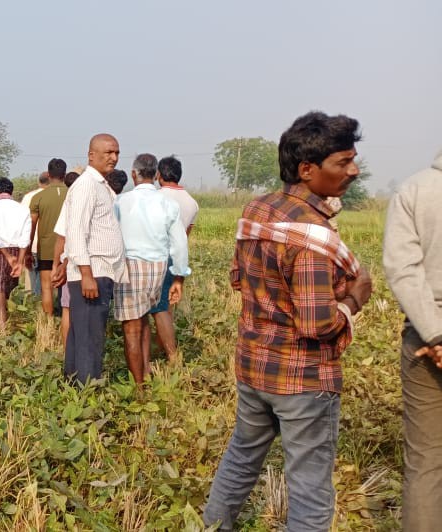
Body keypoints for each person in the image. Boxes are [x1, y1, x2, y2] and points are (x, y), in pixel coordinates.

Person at [204, 112, 373, 532]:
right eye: (343, 162)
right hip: (302, 379)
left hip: (253, 366)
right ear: (307, 170)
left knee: (242, 455)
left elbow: (237, 277)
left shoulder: (259, 209)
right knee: (310, 487)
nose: (353, 171)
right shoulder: (311, 237)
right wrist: (354, 298)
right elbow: (317, 324)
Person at [383, 148, 442, 532]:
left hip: (425, 339)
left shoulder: (414, 189)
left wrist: (435, 332)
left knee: (426, 462)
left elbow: (403, 269)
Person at [112, 153, 190, 385]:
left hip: (130, 265)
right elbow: (179, 243)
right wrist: (179, 278)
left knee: (132, 329)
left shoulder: (120, 202)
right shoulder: (168, 204)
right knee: (144, 319)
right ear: (156, 176)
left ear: (133, 174)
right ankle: (145, 371)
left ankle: (139, 387)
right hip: (158, 267)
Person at [56, 134, 127, 384]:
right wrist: (85, 274)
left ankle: (74, 384)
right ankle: (87, 391)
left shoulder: (100, 186)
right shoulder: (87, 184)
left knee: (83, 335)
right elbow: (75, 231)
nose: (114, 157)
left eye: (117, 152)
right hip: (92, 272)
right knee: (90, 337)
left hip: (97, 271)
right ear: (91, 155)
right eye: (108, 152)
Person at [150, 155, 200, 364]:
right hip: (176, 257)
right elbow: (184, 235)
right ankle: (161, 349)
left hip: (155, 256)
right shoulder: (191, 202)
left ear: (159, 175)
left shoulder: (155, 197)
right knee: (166, 307)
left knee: (157, 310)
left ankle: (171, 356)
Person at [0, 177, 32, 329]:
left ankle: (2, 325)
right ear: (11, 191)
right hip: (17, 249)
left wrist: (8, 257)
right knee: (9, 285)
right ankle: (6, 320)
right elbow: (25, 236)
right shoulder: (23, 209)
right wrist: (19, 260)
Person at [28, 158, 67, 316]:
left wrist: (28, 248)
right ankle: (65, 320)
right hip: (67, 250)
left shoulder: (38, 197)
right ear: (64, 174)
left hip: (45, 249)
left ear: (49, 175)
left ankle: (49, 321)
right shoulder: (72, 194)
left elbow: (32, 225)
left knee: (46, 287)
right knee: (66, 288)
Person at [53, 170, 81, 346]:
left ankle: (67, 350)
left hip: (70, 264)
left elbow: (61, 238)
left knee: (67, 309)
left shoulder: (70, 201)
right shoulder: (108, 197)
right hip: (95, 266)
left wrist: (57, 264)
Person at [20, 172, 49, 298]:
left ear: (39, 182)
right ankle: (41, 308)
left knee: (30, 279)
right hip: (46, 245)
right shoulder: (52, 196)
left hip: (29, 243)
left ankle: (30, 305)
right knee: (44, 282)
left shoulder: (28, 197)